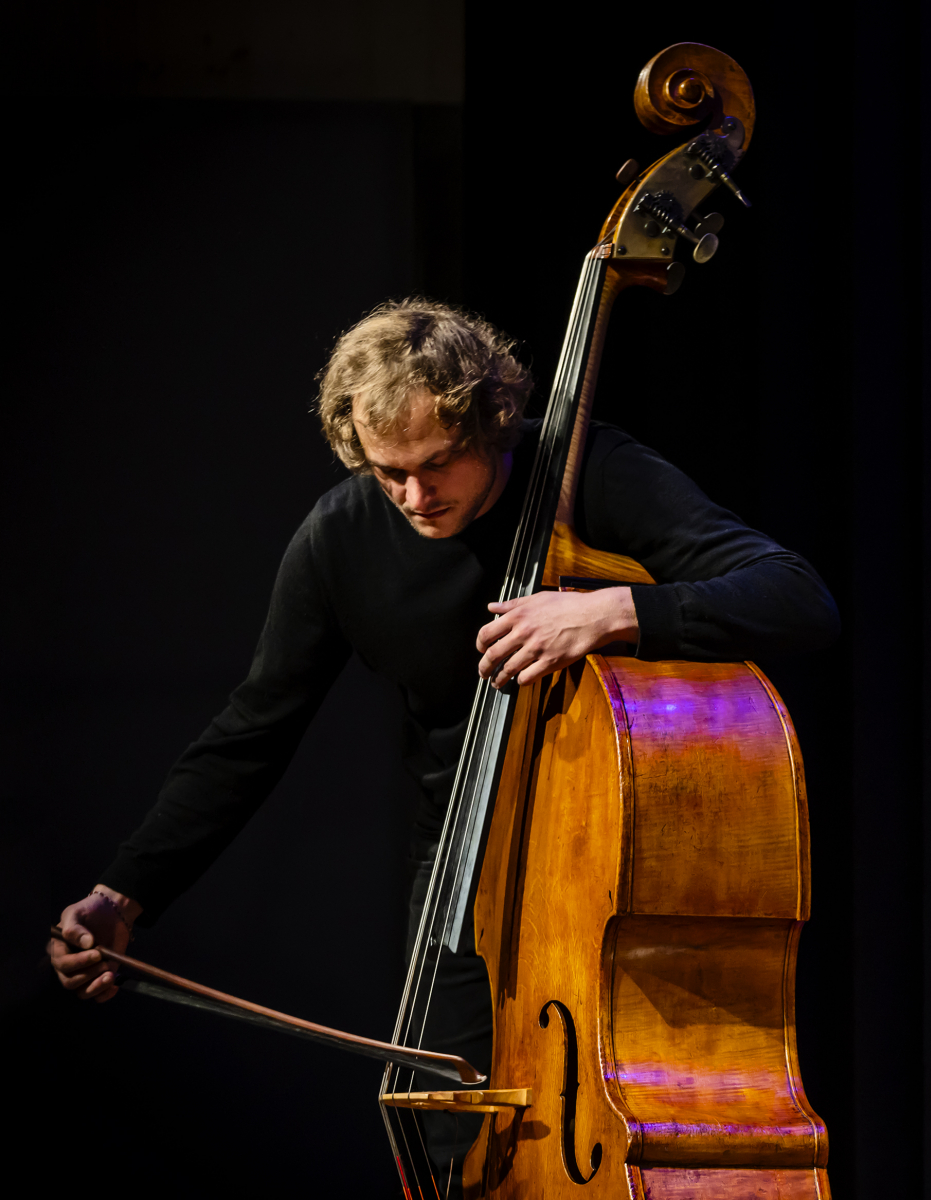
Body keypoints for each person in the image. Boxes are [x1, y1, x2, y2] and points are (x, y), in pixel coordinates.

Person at [46, 298, 839, 1185]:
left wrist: (616, 611)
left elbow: (795, 596)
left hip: (605, 864)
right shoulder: (342, 537)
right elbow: (251, 733)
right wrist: (126, 893)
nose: (417, 498)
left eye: (437, 464)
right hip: (463, 875)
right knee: (447, 1139)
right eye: (390, 473)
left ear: (490, 421)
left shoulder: (585, 470)